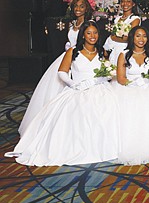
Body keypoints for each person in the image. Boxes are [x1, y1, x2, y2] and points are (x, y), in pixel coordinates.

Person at [8, 21, 119, 166]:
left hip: (99, 89)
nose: (93, 36)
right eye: (89, 33)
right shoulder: (73, 51)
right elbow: (62, 72)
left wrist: (99, 80)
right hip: (77, 89)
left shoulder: (102, 52)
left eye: (95, 33)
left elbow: (108, 72)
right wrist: (75, 85)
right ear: (83, 35)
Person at [19, 0, 94, 136]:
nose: (78, 9)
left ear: (87, 9)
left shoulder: (89, 24)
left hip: (79, 59)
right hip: (67, 55)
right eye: (75, 6)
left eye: (81, 6)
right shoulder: (73, 23)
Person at [104, 0, 141, 65]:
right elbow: (113, 34)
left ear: (133, 4)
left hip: (126, 49)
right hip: (115, 49)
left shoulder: (135, 19)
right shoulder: (117, 19)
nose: (125, 4)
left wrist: (113, 38)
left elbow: (130, 38)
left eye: (128, 1)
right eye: (123, 1)